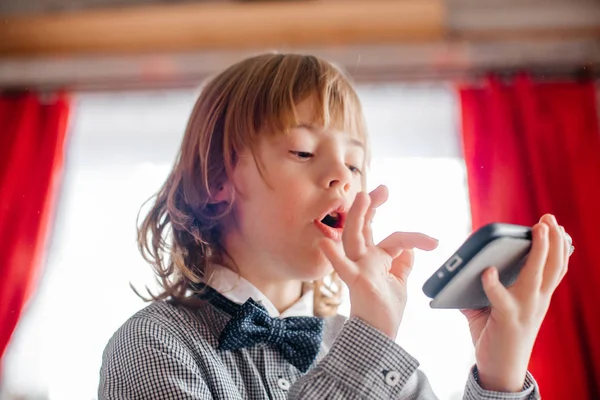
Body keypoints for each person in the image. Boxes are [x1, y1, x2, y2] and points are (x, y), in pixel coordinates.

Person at [99, 53, 570, 399]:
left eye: (355, 164)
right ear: (217, 180)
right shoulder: (151, 343)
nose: (342, 177)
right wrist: (369, 341)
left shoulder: (385, 363)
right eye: (303, 152)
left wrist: (499, 375)